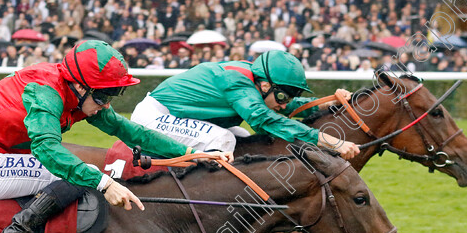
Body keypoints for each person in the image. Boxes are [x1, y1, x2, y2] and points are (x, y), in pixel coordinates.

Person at [0, 40, 227, 233]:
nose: (107, 103)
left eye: (114, 94)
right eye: (104, 94)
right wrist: (105, 184)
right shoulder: (46, 91)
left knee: (80, 171)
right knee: (76, 173)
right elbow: (46, 149)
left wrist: (193, 154)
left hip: (1, 156)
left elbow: (129, 130)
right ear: (79, 86)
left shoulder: (78, 92)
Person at [130, 50, 360, 158]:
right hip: (155, 118)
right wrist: (325, 139)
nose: (285, 104)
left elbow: (283, 106)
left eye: (287, 98)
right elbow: (263, 118)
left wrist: (329, 101)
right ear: (265, 86)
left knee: (242, 137)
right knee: (224, 139)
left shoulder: (256, 82)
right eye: (282, 97)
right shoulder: (238, 81)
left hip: (179, 117)